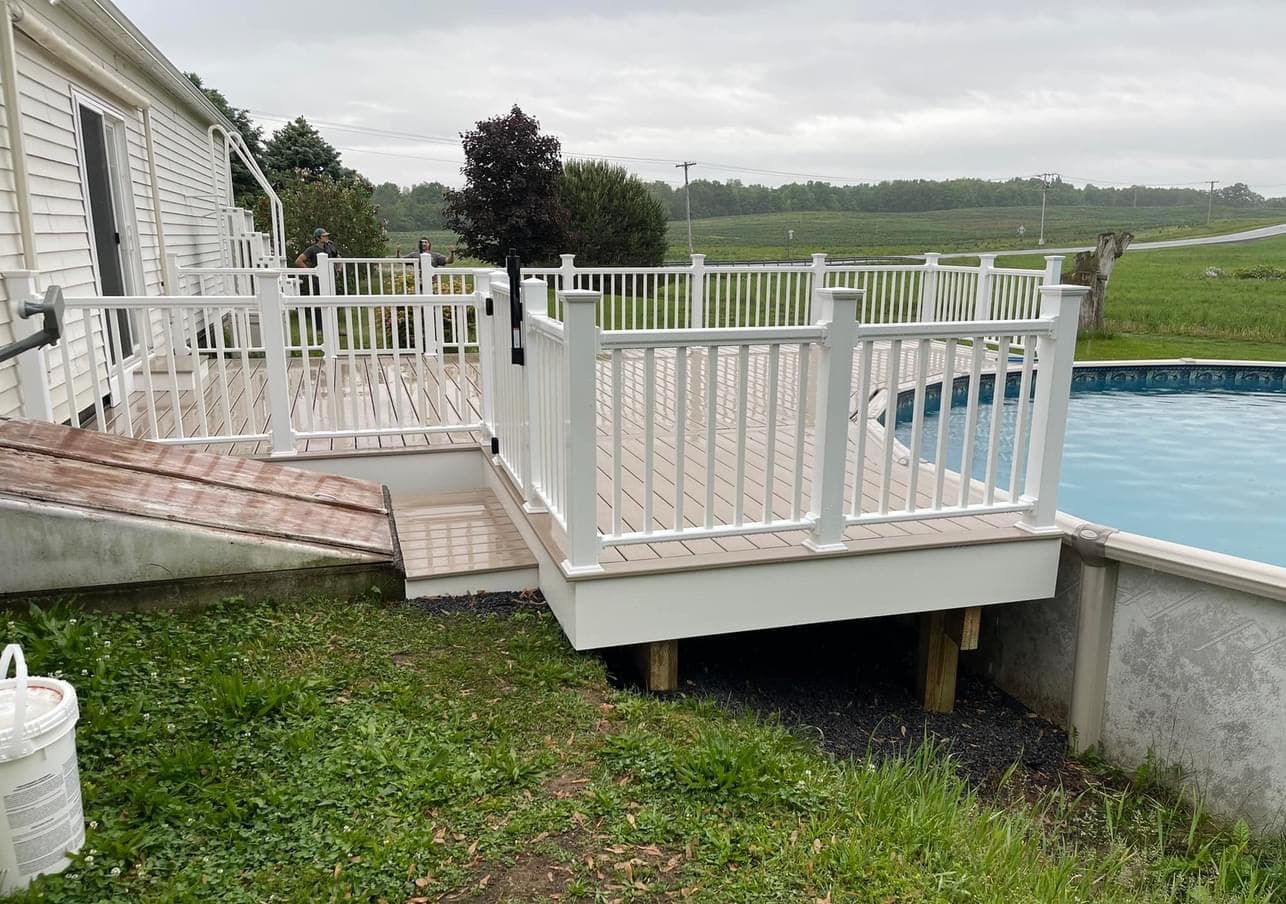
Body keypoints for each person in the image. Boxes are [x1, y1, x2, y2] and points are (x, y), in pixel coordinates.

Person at [295, 227, 338, 327]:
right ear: (318, 238)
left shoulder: (329, 247)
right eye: (324, 236)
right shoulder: (312, 249)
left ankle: (332, 324)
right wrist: (312, 271)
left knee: (332, 300)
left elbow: (337, 257)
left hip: (330, 277)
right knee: (320, 303)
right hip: (318, 280)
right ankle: (320, 327)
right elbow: (299, 261)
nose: (326, 237)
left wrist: (338, 267)